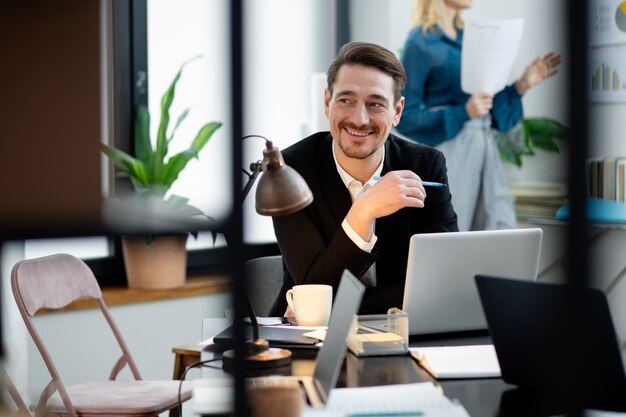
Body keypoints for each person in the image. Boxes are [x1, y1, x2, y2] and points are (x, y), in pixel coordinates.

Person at [269, 42, 458, 316]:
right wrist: (364, 210)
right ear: (327, 103)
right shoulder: (290, 170)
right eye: (346, 100)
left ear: (397, 111)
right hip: (306, 340)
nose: (359, 119)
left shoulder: (426, 166)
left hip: (403, 334)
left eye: (375, 104)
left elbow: (440, 283)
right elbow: (313, 286)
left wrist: (340, 307)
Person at [396, 0, 561, 231]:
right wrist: (463, 112)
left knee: (496, 229)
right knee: (453, 230)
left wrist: (522, 84)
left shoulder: (470, 39)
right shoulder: (420, 42)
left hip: (483, 149)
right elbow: (405, 115)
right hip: (450, 156)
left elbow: (492, 114)